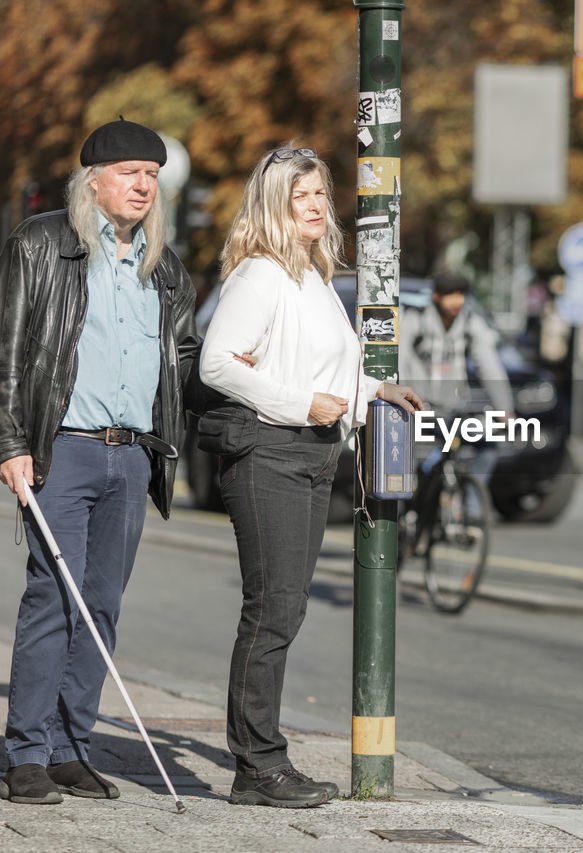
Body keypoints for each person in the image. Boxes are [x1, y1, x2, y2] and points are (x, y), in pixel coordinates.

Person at [0, 119, 200, 805]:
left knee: (100, 605)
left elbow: (181, 358)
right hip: (61, 450)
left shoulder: (164, 266)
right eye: (130, 171)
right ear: (93, 179)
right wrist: (7, 444)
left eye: (152, 175)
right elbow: (1, 351)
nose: (143, 185)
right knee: (53, 597)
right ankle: (28, 754)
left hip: (131, 457)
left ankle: (74, 748)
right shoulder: (43, 244)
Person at [198, 146, 423, 809]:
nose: (319, 205)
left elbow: (333, 370)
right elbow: (217, 363)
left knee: (287, 609)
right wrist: (302, 403)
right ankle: (257, 767)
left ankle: (264, 759)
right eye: (303, 196)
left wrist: (380, 390)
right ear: (275, 205)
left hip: (310, 454)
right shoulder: (261, 276)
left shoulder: (314, 279)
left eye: (322, 193)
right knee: (271, 612)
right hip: (268, 452)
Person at [398, 271, 512, 492]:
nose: (456, 301)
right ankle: (407, 509)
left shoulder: (470, 324)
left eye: (460, 295)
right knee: (407, 463)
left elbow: (490, 367)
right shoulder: (416, 320)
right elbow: (400, 361)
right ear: (436, 297)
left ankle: (470, 512)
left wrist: (505, 410)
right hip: (419, 410)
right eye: (450, 295)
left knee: (486, 445)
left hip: (452, 410)